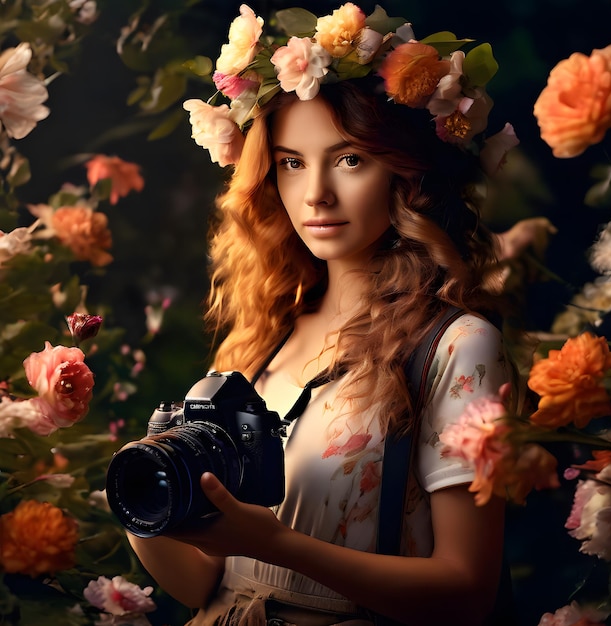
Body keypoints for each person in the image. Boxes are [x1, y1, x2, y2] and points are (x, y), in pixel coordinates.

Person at [126, 4, 519, 625]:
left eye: (349, 159)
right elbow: (207, 584)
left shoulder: (456, 347)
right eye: (291, 162)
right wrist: (147, 505)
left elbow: (467, 593)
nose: (315, 195)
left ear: (404, 172)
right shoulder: (263, 340)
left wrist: (273, 544)